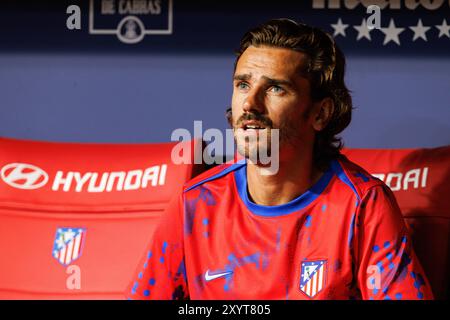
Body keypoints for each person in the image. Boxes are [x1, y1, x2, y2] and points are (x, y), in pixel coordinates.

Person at [126, 19, 433, 300]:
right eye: (243, 84)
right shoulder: (195, 203)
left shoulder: (362, 205)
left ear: (320, 113)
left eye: (275, 88)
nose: (249, 103)